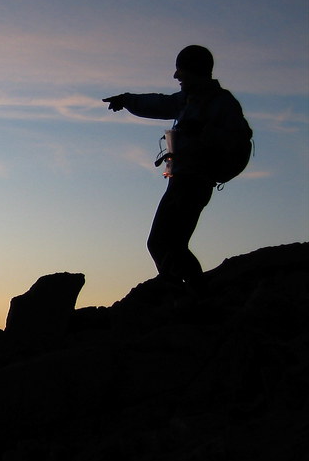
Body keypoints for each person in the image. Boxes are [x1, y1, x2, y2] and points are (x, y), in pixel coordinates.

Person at [103, 45, 245, 295]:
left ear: (195, 70)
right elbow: (158, 103)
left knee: (167, 243)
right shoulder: (188, 100)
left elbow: (239, 137)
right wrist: (126, 100)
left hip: (196, 181)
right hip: (181, 180)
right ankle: (182, 290)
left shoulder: (221, 103)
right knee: (165, 243)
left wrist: (203, 131)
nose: (176, 76)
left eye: (181, 70)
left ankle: (192, 294)